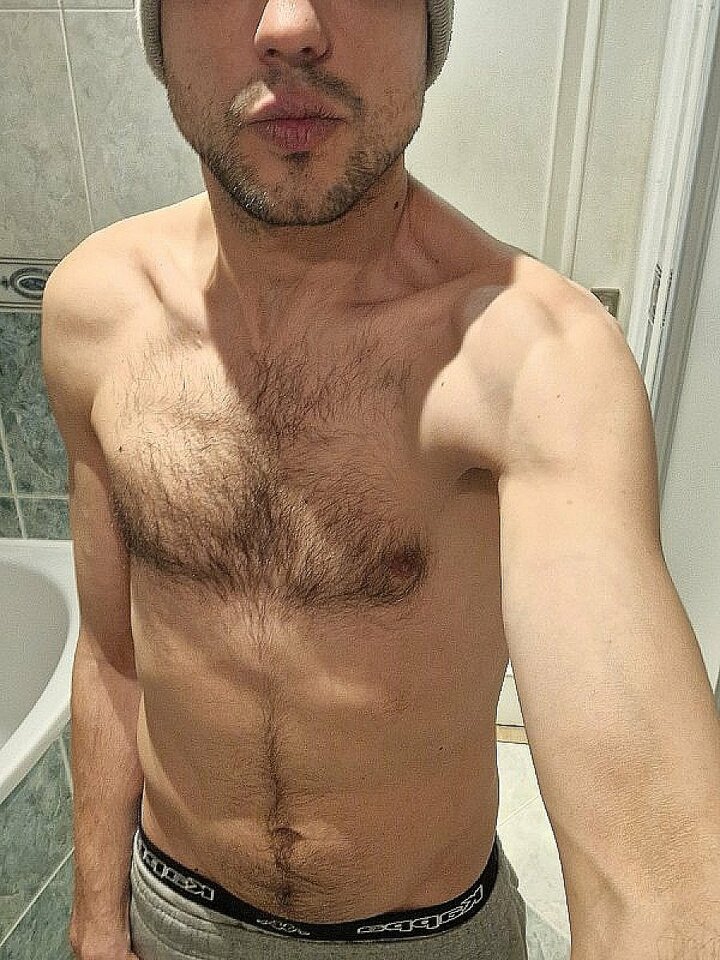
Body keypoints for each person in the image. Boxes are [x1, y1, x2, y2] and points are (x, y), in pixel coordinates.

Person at [41, 0, 720, 958]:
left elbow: (647, 873)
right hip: (169, 912)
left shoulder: (536, 361)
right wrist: (96, 918)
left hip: (428, 937)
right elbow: (112, 655)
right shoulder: (93, 313)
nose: (289, 24)